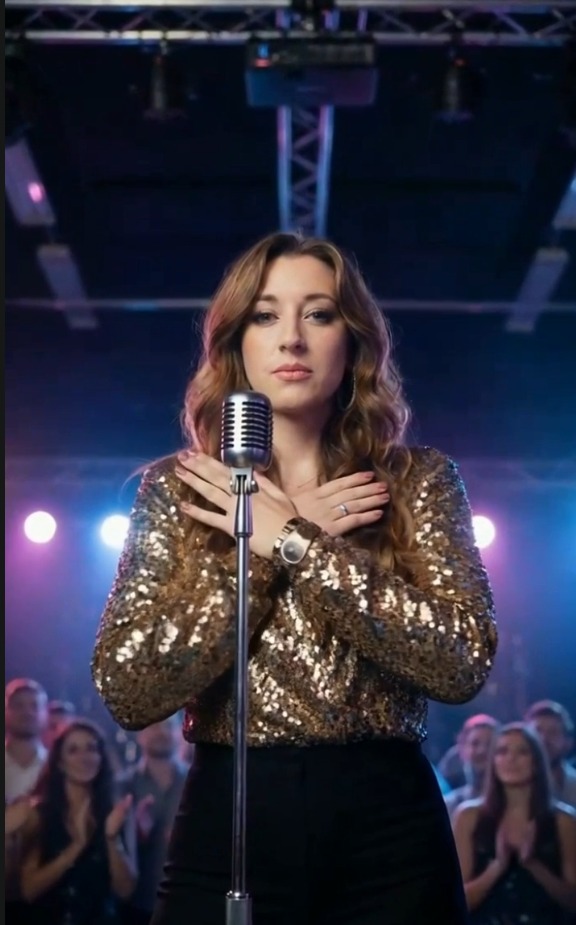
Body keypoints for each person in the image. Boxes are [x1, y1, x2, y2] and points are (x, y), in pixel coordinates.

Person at [91, 230, 498, 925]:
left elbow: (460, 663)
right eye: (266, 314)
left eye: (318, 313)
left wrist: (295, 541)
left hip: (390, 827)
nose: (292, 339)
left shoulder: (418, 481)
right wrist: (263, 550)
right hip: (229, 812)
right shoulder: (179, 489)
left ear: (353, 340)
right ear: (237, 341)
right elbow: (129, 688)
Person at [452, 722, 576, 923]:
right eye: (502, 751)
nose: (511, 759)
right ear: (493, 761)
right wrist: (498, 867)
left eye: (522, 752)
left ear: (536, 762)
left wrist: (533, 864)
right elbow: (457, 901)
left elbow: (573, 901)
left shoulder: (564, 820)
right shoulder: (468, 816)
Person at [19, 718, 137, 924]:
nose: (85, 757)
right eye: (73, 750)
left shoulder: (117, 812)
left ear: (101, 757)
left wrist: (111, 839)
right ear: (60, 762)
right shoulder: (40, 814)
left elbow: (125, 890)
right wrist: (76, 847)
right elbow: (29, 890)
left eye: (91, 748)